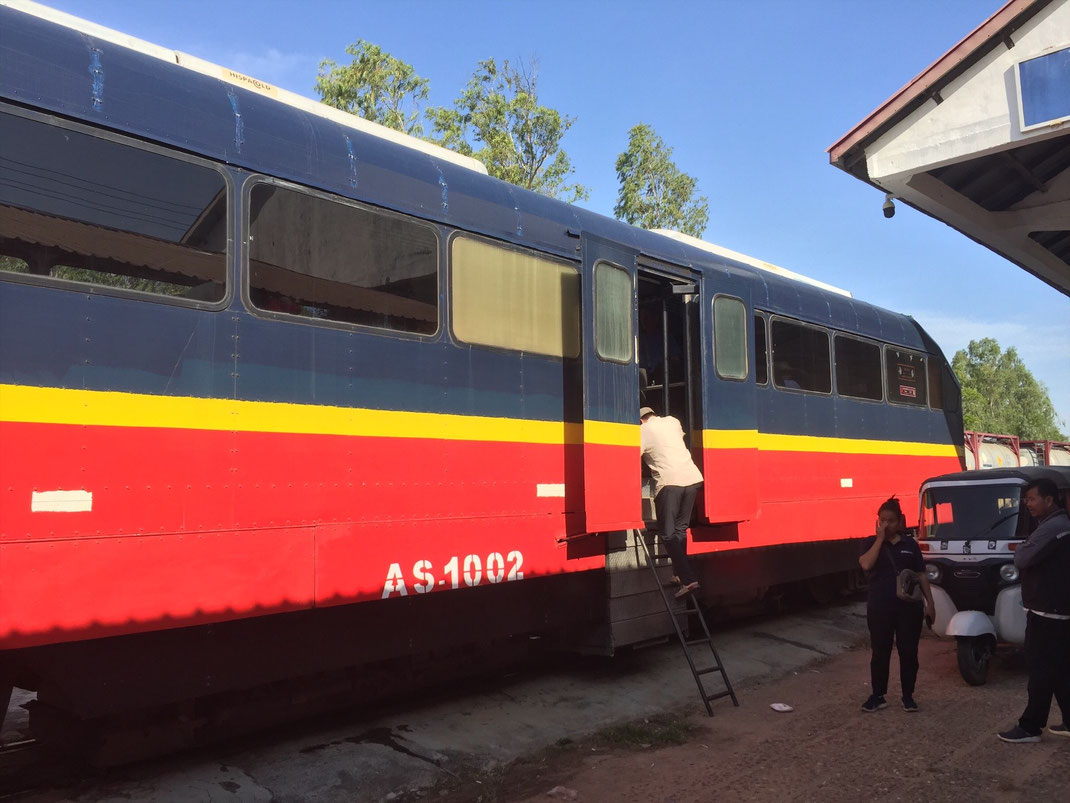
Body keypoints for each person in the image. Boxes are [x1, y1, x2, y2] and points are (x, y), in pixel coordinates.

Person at [997, 477, 1070, 743]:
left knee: (1040, 671)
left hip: (1047, 613)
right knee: (1061, 670)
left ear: (1049, 500)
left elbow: (1022, 558)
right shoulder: (1058, 524)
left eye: (1032, 499)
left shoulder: (1053, 527)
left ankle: (1030, 727)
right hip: (1058, 611)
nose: (1027, 504)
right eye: (1026, 499)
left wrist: (1024, 547)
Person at [857, 496, 935, 713]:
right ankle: (878, 695)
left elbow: (921, 575)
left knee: (908, 652)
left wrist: (931, 604)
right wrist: (880, 540)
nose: (886, 525)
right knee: (880, 652)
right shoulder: (869, 543)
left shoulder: (910, 545)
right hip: (880, 607)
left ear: (900, 521)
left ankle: (908, 695)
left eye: (890, 520)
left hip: (908, 608)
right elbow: (866, 564)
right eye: (882, 520)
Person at [639, 406, 703, 598]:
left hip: (669, 483)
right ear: (653, 414)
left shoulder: (642, 430)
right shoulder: (672, 421)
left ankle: (688, 579)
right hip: (692, 479)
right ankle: (678, 575)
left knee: (667, 534)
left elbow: (634, 454)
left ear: (641, 419)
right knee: (680, 530)